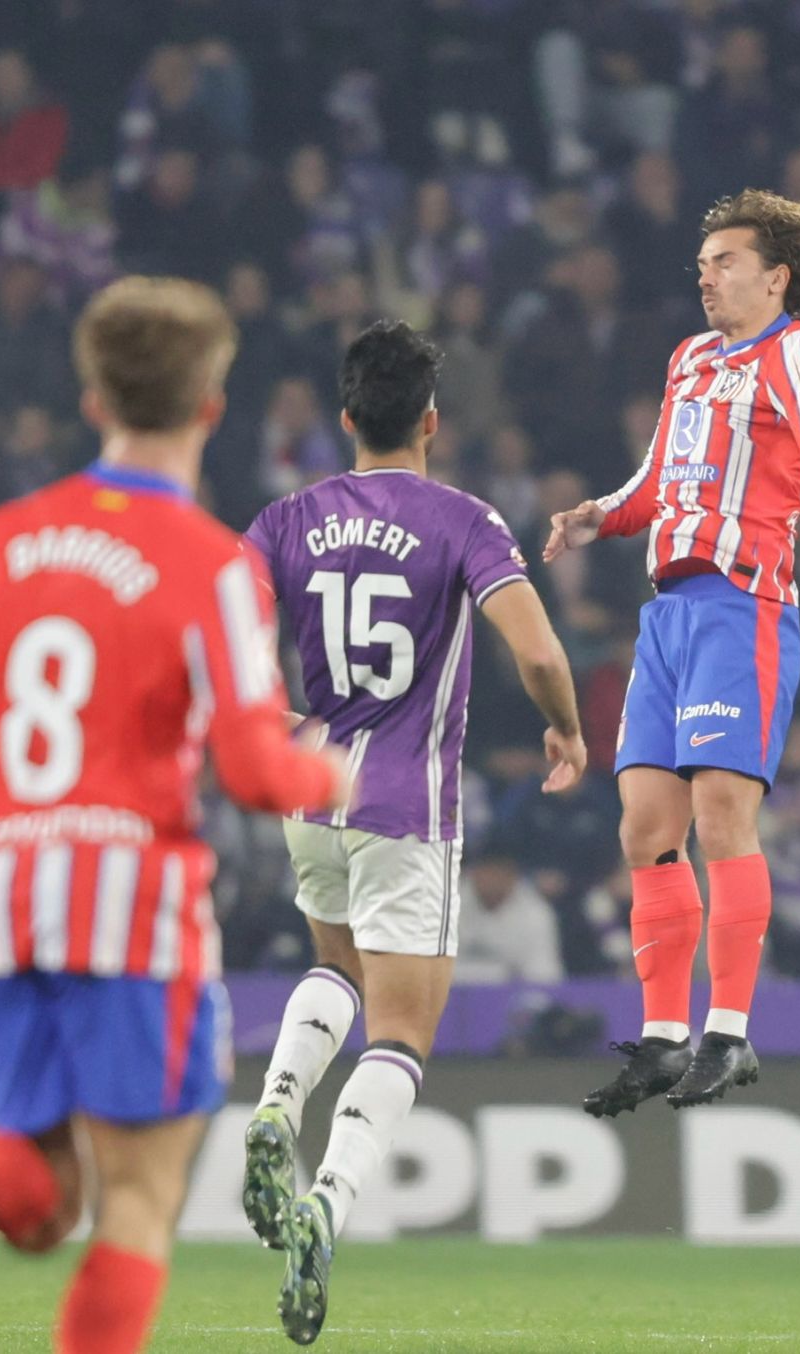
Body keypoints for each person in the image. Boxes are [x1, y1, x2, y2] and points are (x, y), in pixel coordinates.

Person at [0, 277, 348, 1354]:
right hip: (133, 900)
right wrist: (329, 776)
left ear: (92, 401)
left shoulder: (0, 537)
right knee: (140, 1195)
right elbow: (257, 774)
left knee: (44, 1209)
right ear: (212, 406)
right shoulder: (212, 562)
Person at [242, 320, 584, 1344]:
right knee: (401, 1031)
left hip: (313, 787)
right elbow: (536, 647)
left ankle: (273, 1104)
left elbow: (212, 636)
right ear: (431, 419)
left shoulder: (285, 518)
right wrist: (567, 727)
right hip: (407, 803)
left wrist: (274, 721)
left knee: (332, 967)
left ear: (345, 419)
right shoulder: (464, 521)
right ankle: (326, 1206)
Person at [543, 188, 800, 1113]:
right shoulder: (690, 360)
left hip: (744, 607)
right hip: (670, 616)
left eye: (725, 262)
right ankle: (663, 1037)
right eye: (702, 263)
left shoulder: (790, 352)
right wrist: (600, 514)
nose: (707, 276)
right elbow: (659, 476)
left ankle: (731, 1031)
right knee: (645, 827)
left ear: (775, 279)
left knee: (722, 817)